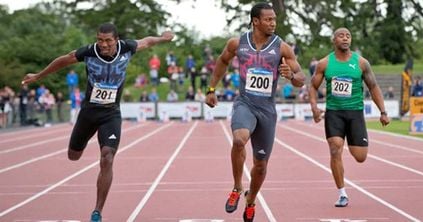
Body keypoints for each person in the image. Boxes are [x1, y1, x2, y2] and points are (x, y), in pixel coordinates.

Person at [21, 23, 173, 222]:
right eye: (100, 40)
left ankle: (97, 211)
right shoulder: (89, 51)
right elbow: (64, 60)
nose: (104, 44)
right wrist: (38, 76)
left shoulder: (127, 48)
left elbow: (147, 41)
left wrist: (163, 37)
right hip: (88, 113)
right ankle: (81, 147)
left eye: (108, 40)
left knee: (107, 157)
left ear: (116, 40)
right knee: (73, 156)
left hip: (111, 114)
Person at [205, 3, 305, 221]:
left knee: (260, 166)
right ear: (255, 21)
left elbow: (301, 79)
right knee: (239, 140)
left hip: (267, 110)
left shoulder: (282, 48)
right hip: (245, 103)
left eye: (274, 20)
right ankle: (237, 187)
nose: (273, 23)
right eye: (268, 19)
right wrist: (212, 89)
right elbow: (222, 62)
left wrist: (291, 75)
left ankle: (250, 200)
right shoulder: (237, 43)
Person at [308, 27, 390, 208]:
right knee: (335, 148)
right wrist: (314, 107)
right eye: (341, 36)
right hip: (334, 113)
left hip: (355, 113)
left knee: (360, 157)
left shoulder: (361, 63)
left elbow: (374, 87)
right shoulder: (324, 63)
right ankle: (342, 193)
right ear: (334, 40)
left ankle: (352, 144)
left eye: (348, 36)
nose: (345, 38)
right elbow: (312, 87)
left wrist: (383, 111)